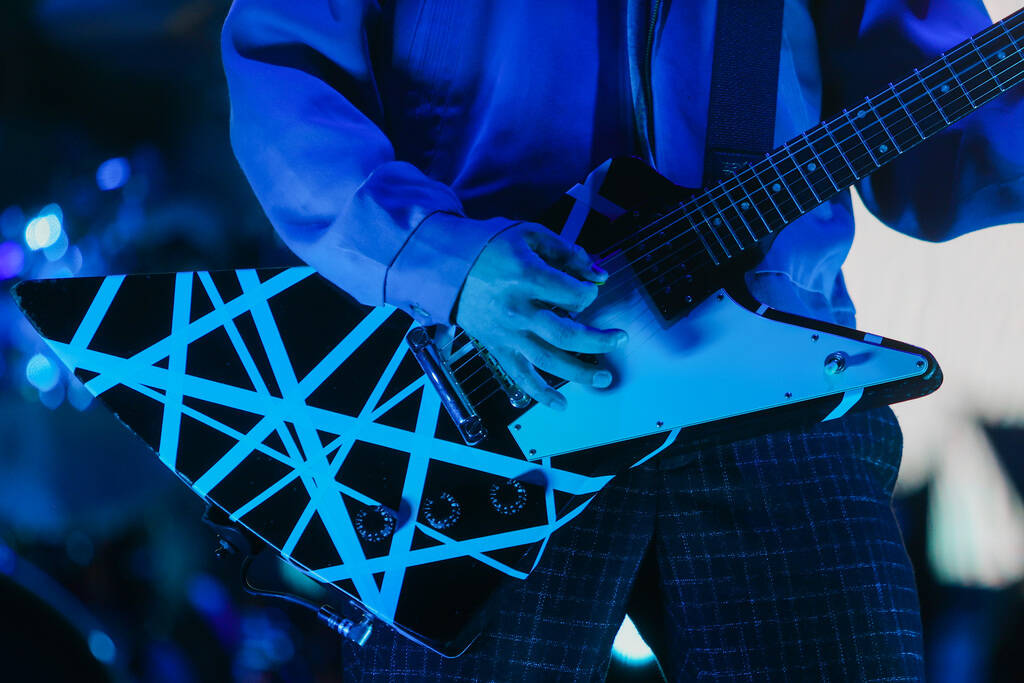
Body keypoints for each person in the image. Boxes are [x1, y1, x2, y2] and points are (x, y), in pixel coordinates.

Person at [221, 1, 1024, 679]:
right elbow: (283, 71)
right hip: (479, 383)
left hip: (777, 367)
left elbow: (936, 148)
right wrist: (448, 261)